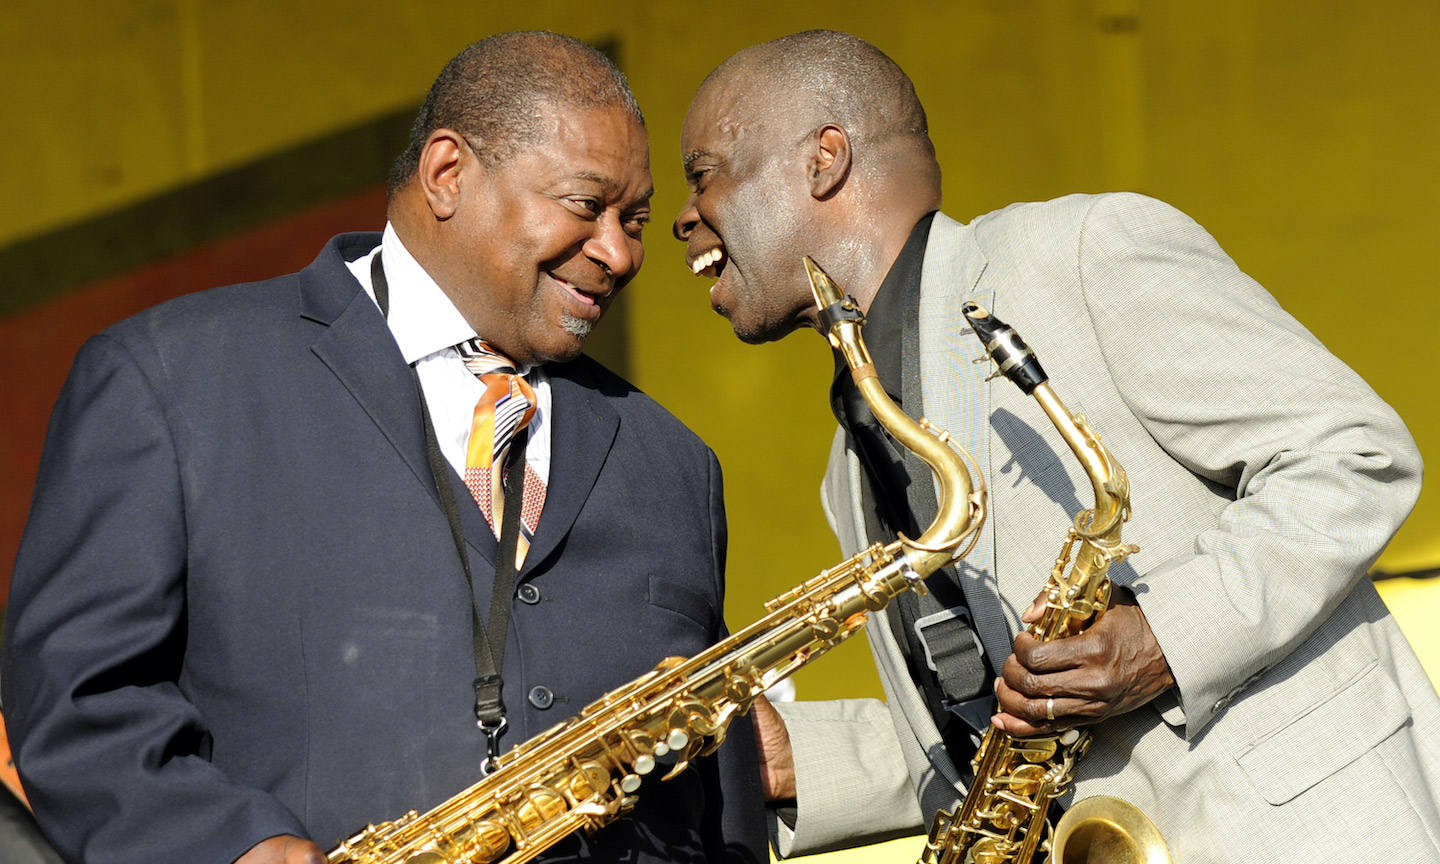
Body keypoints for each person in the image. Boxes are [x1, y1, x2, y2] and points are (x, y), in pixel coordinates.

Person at [672, 29, 1440, 863]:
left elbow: (1356, 457)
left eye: (702, 174)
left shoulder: (1077, 254)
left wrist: (1164, 638)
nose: (683, 217)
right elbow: (999, 724)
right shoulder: (849, 460)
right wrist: (796, 760)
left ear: (825, 159)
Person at [2, 31, 766, 864]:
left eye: (637, 220)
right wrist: (238, 849)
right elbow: (76, 700)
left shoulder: (674, 462)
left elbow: (717, 802)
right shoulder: (170, 376)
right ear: (448, 174)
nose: (620, 253)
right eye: (588, 206)